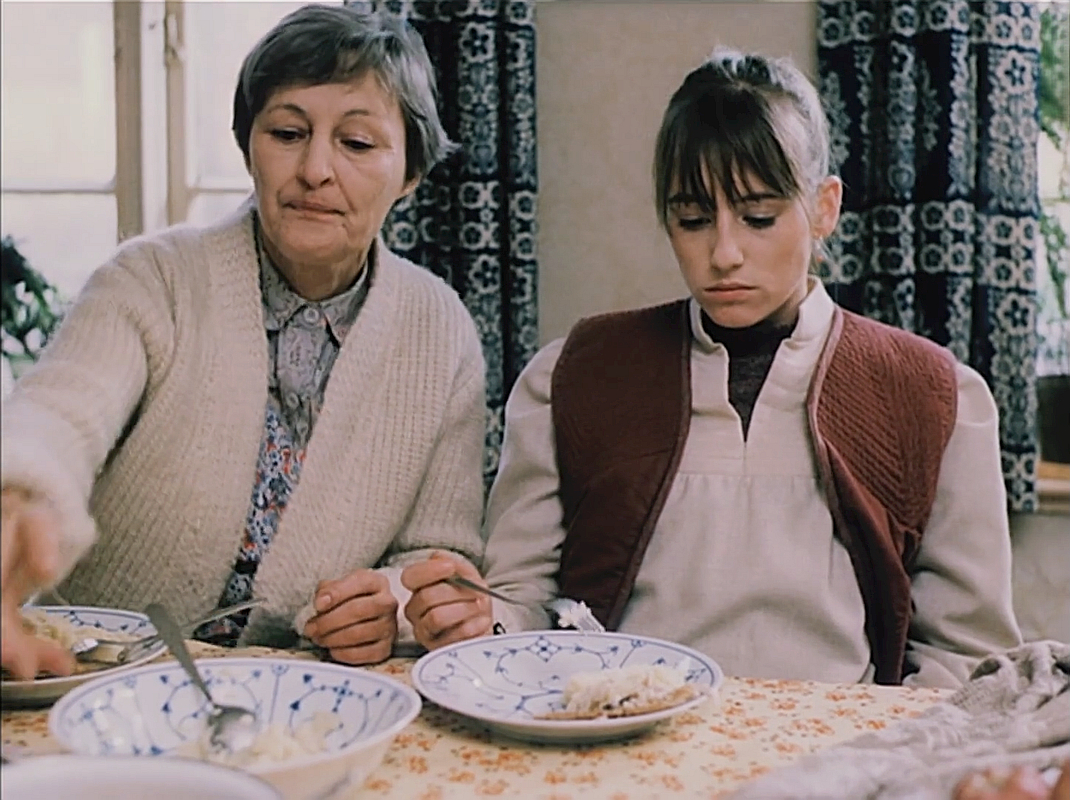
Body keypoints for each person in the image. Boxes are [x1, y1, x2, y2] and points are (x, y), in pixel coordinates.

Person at [401, 47, 1023, 687]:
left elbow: (965, 659)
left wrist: (882, 745)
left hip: (853, 744)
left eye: (758, 217)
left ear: (824, 207)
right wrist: (480, 620)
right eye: (693, 219)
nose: (724, 253)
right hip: (626, 731)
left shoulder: (931, 395)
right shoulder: (574, 378)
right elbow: (523, 607)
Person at [0, 4, 491, 680]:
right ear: (248, 144)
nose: (315, 169)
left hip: (310, 694)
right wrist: (20, 488)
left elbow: (435, 557)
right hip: (97, 672)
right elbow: (61, 411)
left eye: (356, 143)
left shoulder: (441, 330)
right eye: (287, 132)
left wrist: (394, 606)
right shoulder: (152, 279)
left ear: (410, 173)